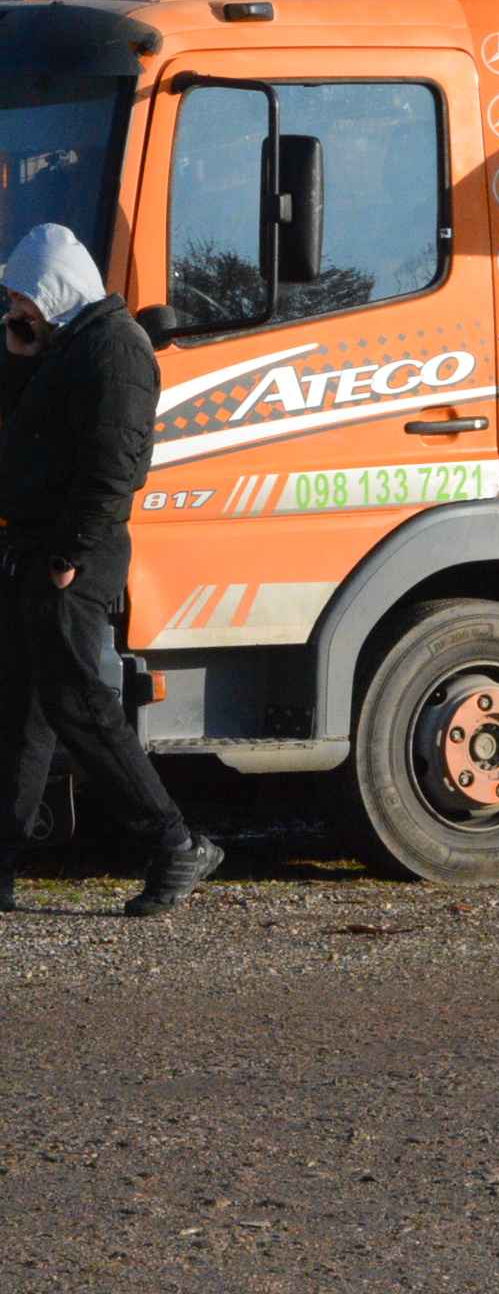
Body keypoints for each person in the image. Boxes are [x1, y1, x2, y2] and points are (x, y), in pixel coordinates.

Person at [0, 224, 219, 916]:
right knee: (20, 712)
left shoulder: (117, 349)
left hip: (74, 556)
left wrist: (69, 555)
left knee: (79, 707)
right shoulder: (65, 343)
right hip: (39, 549)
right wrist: (19, 352)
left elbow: (113, 466)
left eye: (21, 295)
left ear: (54, 289)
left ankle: (174, 843)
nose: (15, 306)